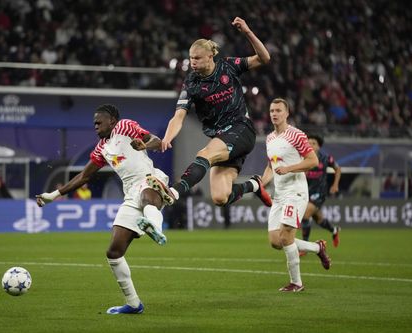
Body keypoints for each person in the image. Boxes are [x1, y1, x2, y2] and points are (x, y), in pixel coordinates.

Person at [36, 104, 169, 315]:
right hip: (130, 195)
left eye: (99, 122)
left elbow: (157, 141)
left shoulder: (125, 127)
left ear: (113, 121)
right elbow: (84, 176)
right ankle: (134, 304)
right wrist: (53, 195)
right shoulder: (101, 148)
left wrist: (145, 145)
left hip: (150, 180)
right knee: (114, 253)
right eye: (94, 123)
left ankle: (155, 226)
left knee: (146, 196)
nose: (95, 126)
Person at [146, 17, 272, 209]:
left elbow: (264, 58)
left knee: (204, 154)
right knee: (221, 197)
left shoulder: (228, 66)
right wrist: (167, 138)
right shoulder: (191, 83)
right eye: (191, 58)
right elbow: (179, 116)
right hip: (222, 138)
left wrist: (247, 32)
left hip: (241, 129)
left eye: (197, 58)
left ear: (210, 57)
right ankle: (255, 185)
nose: (193, 62)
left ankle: (173, 191)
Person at [258, 98, 331, 292]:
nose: (274, 114)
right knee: (275, 241)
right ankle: (318, 248)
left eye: (278, 111)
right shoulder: (269, 139)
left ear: (287, 113)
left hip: (296, 192)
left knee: (286, 235)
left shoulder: (297, 135)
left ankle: (296, 283)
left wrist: (289, 168)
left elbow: (313, 160)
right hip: (279, 194)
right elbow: (270, 166)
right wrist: (260, 183)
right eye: (272, 110)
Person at [301, 134, 342, 250]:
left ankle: (304, 247)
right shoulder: (303, 158)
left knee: (305, 215)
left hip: (319, 193)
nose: (310, 145)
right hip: (305, 192)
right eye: (308, 143)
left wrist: (335, 184)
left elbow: (337, 169)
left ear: (319, 146)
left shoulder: (326, 158)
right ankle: (334, 230)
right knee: (318, 219)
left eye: (313, 143)